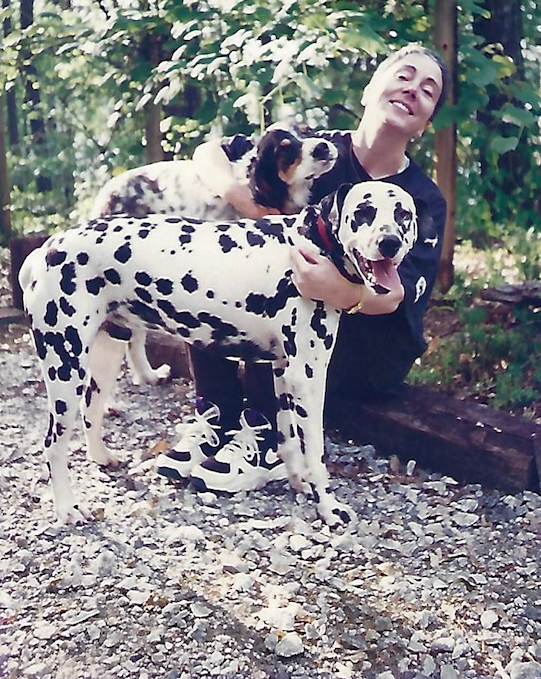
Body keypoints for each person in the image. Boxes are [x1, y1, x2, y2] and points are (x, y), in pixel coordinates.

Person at [155, 44, 448, 493]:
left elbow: (395, 295)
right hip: (289, 310)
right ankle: (216, 418)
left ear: (426, 123)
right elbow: (209, 152)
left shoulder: (422, 199)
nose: (413, 90)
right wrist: (241, 198)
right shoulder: (316, 150)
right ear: (371, 88)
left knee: (285, 300)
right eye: (404, 75)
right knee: (222, 276)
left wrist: (340, 291)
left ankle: (267, 438)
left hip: (369, 342)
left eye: (428, 91)